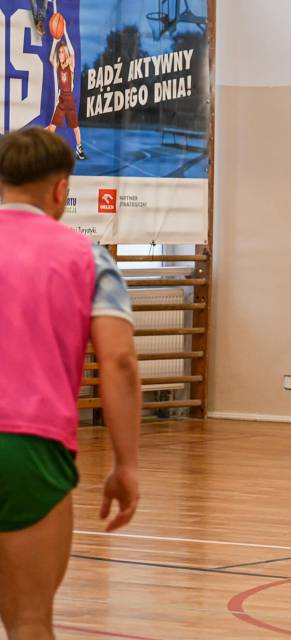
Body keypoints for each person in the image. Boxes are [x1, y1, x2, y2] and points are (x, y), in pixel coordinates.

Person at [0, 128, 141, 639]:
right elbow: (119, 360)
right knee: (29, 621)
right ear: (61, 189)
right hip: (29, 447)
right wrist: (125, 464)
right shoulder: (88, 257)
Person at [47, 27, 86, 161]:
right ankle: (47, 149)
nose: (61, 54)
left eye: (63, 52)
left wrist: (64, 32)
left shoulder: (70, 66)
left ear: (66, 54)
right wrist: (54, 42)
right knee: (51, 127)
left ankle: (79, 148)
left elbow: (73, 53)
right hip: (61, 99)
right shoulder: (58, 66)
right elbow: (50, 58)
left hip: (69, 99)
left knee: (75, 127)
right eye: (60, 52)